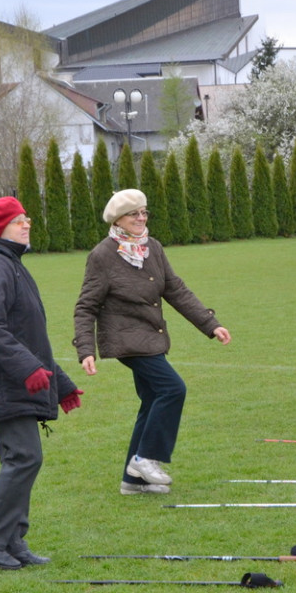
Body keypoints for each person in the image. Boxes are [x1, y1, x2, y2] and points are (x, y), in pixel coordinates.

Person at [73, 189, 231, 494]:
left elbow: (175, 290)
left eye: (144, 212)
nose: (141, 218)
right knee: (173, 389)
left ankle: (132, 481)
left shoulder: (152, 248)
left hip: (152, 336)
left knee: (152, 400)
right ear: (118, 219)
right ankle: (145, 459)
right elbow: (86, 306)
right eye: (134, 214)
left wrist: (211, 324)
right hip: (126, 340)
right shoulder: (103, 255)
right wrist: (85, 349)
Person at [0, 197, 82, 569]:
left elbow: (28, 337)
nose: (26, 224)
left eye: (26, 218)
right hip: (3, 379)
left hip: (14, 377)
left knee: (23, 458)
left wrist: (60, 383)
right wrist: (27, 369)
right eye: (17, 220)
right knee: (24, 457)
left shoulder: (9, 263)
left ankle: (12, 540)